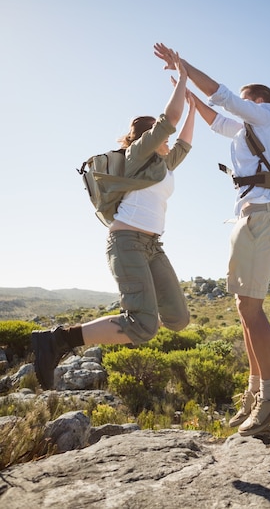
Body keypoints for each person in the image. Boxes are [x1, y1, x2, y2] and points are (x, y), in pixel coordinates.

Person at [32, 49, 196, 391]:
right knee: (143, 327)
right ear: (148, 138)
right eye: (161, 136)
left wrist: (193, 104)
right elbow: (170, 120)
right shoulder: (138, 156)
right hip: (126, 242)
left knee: (179, 320)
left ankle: (131, 316)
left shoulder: (161, 167)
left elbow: (184, 141)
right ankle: (59, 340)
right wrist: (182, 79)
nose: (168, 141)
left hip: (152, 245)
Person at [154, 42, 270, 436]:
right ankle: (255, 393)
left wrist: (185, 66)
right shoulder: (250, 131)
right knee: (243, 307)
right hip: (249, 217)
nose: (241, 106)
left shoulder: (266, 115)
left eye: (246, 101)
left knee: (253, 309)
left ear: (259, 101)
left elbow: (224, 97)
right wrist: (184, 88)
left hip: (261, 217)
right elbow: (216, 118)